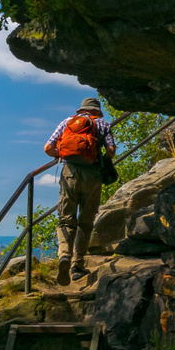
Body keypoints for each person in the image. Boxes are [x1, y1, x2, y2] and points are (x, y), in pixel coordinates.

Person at [43, 97, 115, 286]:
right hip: (92, 174)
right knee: (86, 220)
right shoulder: (102, 124)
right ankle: (77, 265)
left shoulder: (67, 122)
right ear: (97, 112)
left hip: (70, 173)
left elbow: (48, 148)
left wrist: (64, 154)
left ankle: (64, 256)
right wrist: (103, 161)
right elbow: (111, 150)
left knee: (66, 219)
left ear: (81, 110)